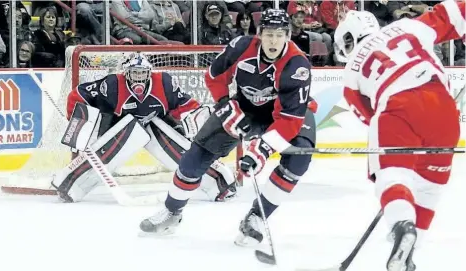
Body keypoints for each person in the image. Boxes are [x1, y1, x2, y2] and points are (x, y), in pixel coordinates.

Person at [140, 9, 318, 247]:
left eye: (279, 34)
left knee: (299, 158)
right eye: (268, 34)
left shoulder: (298, 65)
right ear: (259, 34)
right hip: (244, 108)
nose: (273, 40)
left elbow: (291, 119)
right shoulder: (241, 47)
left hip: (289, 113)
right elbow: (214, 75)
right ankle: (172, 212)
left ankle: (255, 217)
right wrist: (225, 105)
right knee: (194, 158)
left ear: (288, 35)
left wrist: (262, 149)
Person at [333, 0, 464, 271]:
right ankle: (411, 249)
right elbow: (456, 11)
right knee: (429, 188)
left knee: (391, 176)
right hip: (444, 108)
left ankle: (402, 225)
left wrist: (397, 167)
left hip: (397, 106)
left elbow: (371, 118)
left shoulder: (349, 74)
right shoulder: (408, 26)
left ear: (347, 41)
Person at [52, 53, 237, 204]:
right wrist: (79, 125)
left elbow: (188, 105)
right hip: (119, 129)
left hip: (155, 125)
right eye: (134, 73)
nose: (138, 78)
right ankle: (68, 185)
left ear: (149, 73)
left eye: (142, 73)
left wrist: (192, 124)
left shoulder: (164, 84)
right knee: (109, 147)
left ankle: (220, 184)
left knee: (185, 154)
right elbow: (77, 96)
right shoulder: (111, 85)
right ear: (126, 74)